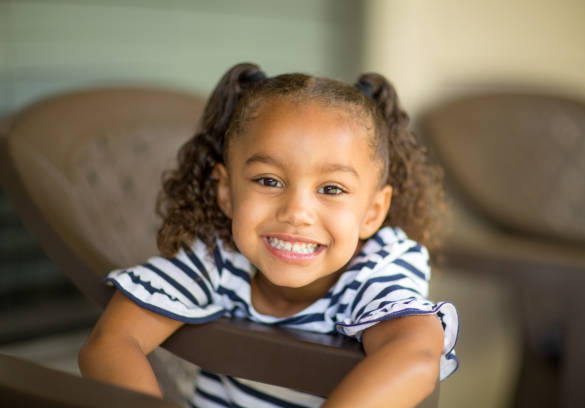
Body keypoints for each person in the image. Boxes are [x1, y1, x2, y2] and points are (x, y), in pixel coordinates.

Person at [79, 62, 459, 408]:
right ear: (226, 193)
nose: (295, 213)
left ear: (373, 212)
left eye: (331, 188)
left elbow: (415, 356)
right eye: (269, 180)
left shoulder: (379, 267)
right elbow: (110, 343)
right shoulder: (216, 257)